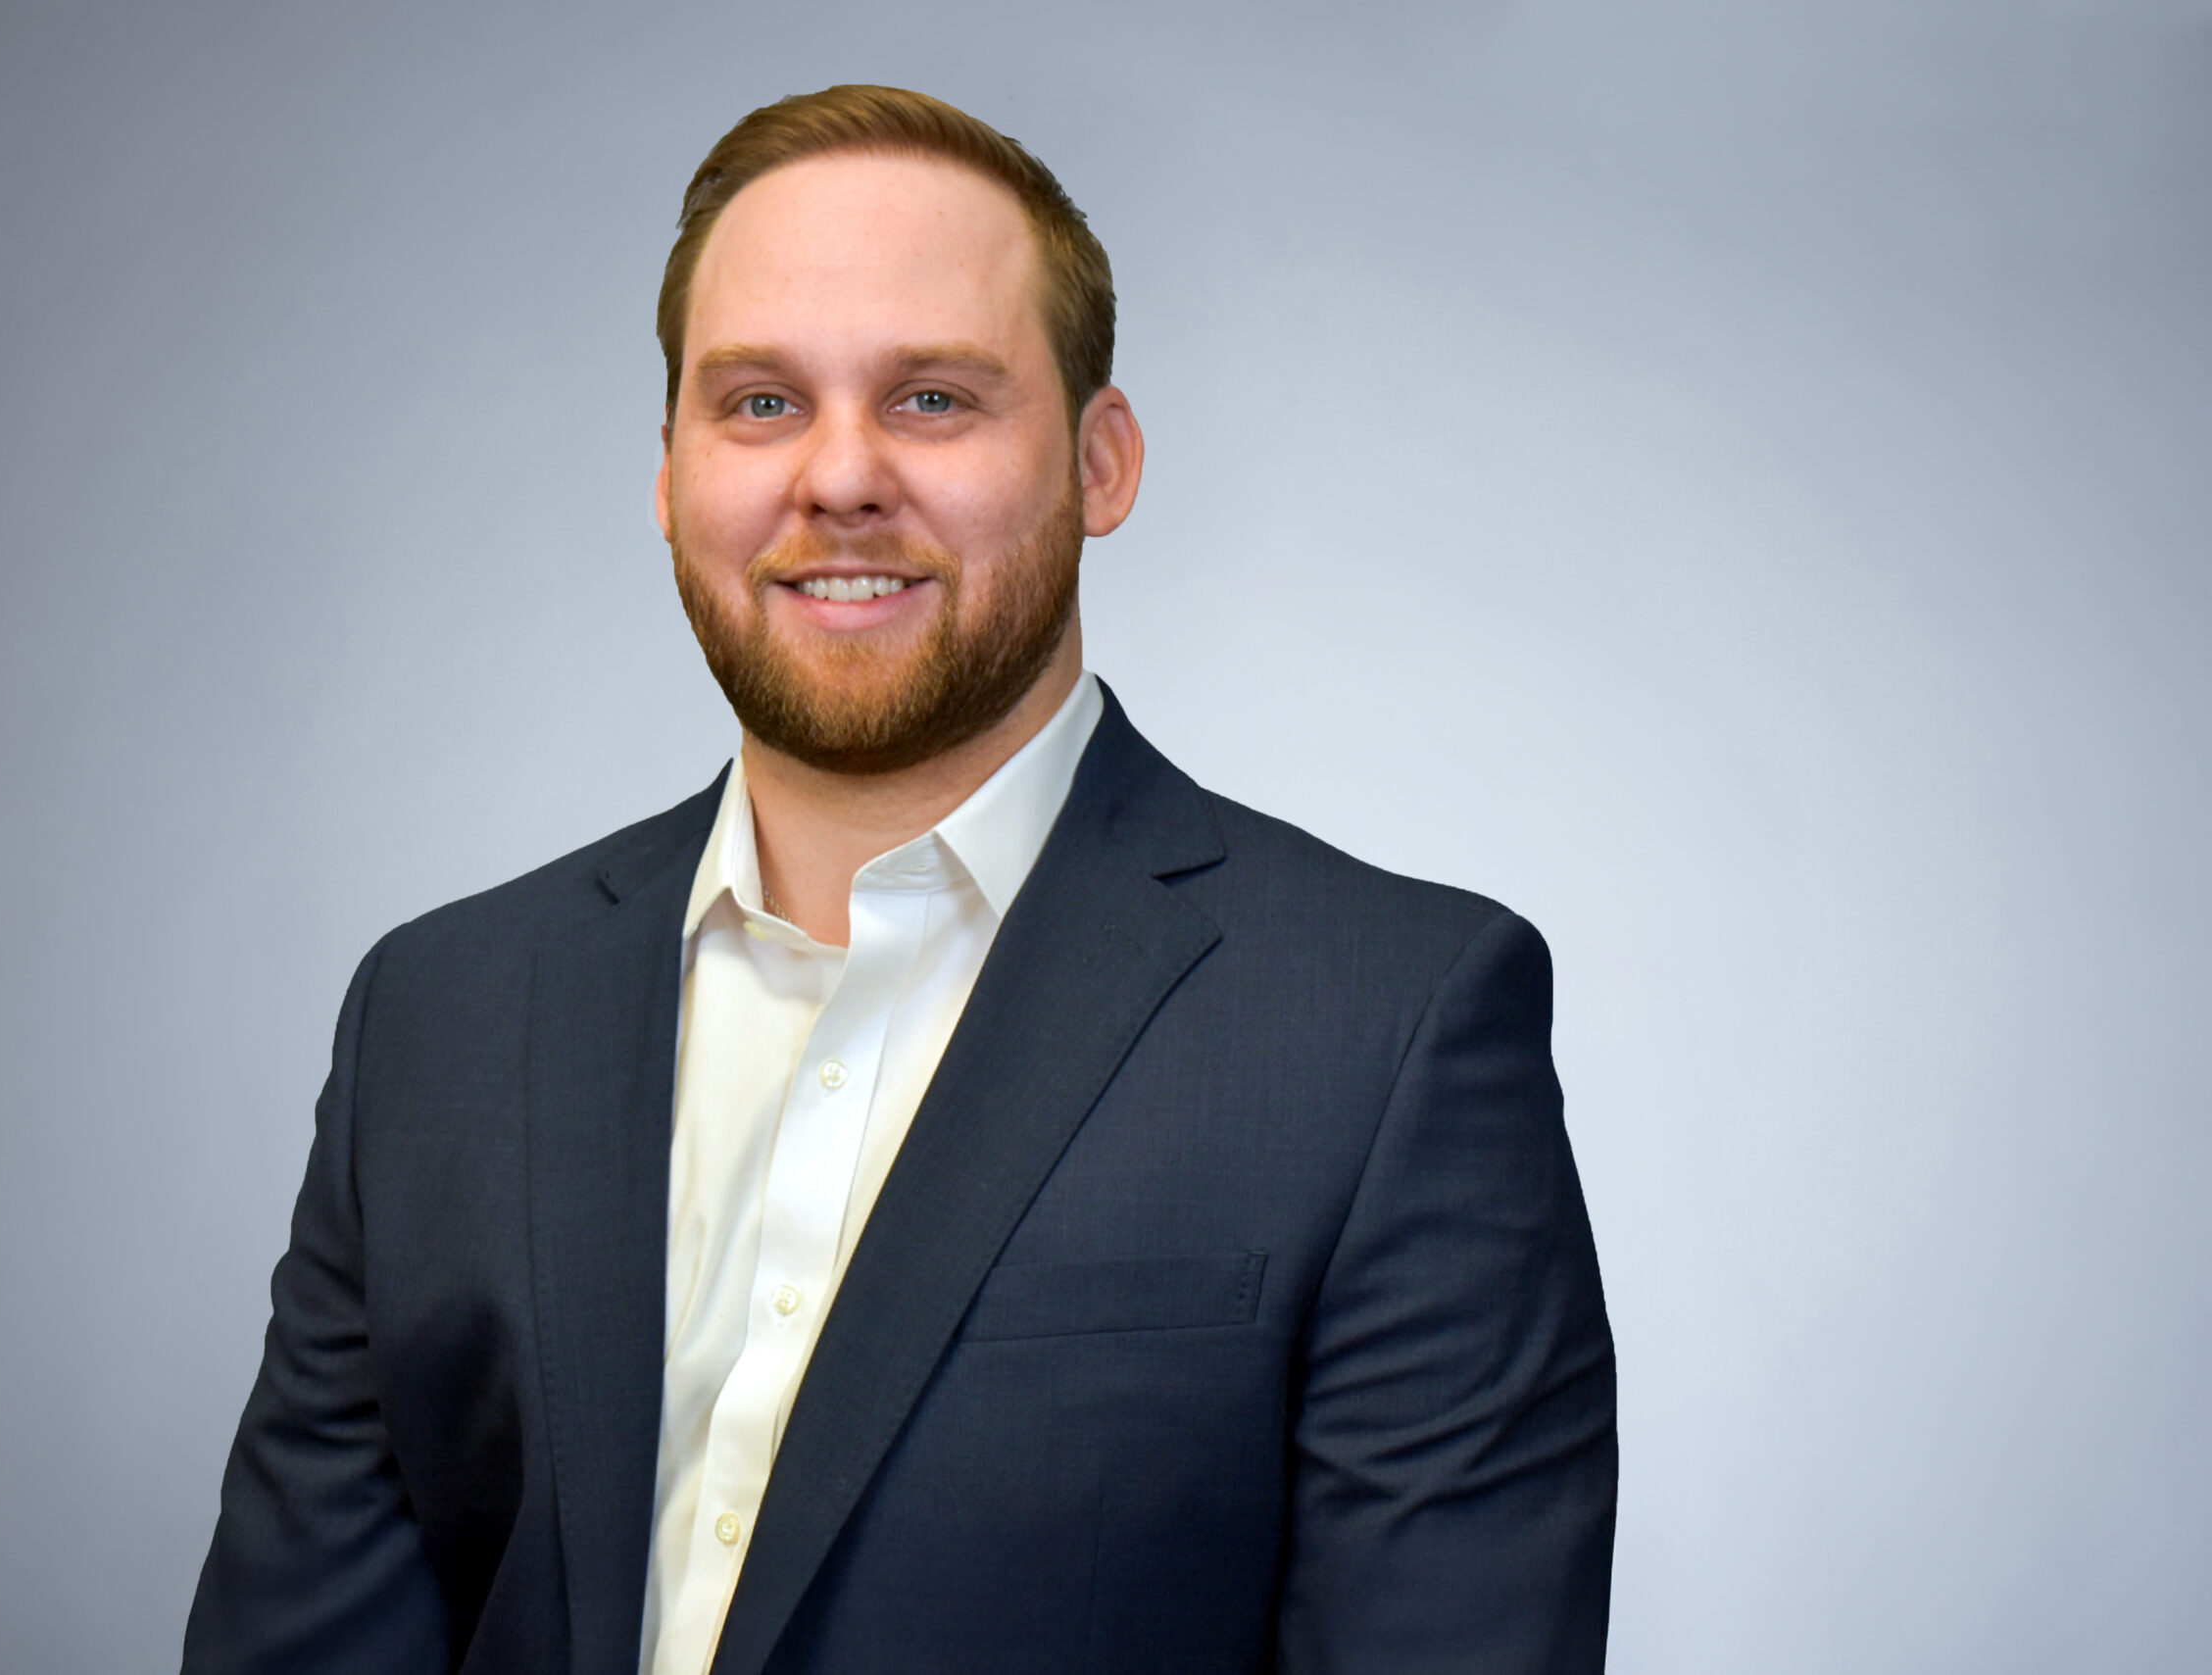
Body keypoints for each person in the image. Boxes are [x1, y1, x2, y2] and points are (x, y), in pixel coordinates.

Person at [184, 84, 1616, 1675]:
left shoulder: (1387, 1030)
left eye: (933, 398)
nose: (840, 477)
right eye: (760, 403)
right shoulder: (438, 1017)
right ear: (668, 474)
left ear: (1102, 461)